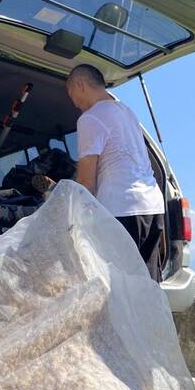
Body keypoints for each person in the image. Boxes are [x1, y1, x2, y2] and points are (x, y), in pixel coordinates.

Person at [66, 64, 165, 281]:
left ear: (80, 85)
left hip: (121, 209)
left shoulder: (90, 118)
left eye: (73, 96)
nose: (75, 104)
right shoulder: (127, 112)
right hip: (153, 206)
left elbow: (85, 181)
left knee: (119, 288)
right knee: (147, 285)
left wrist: (70, 218)